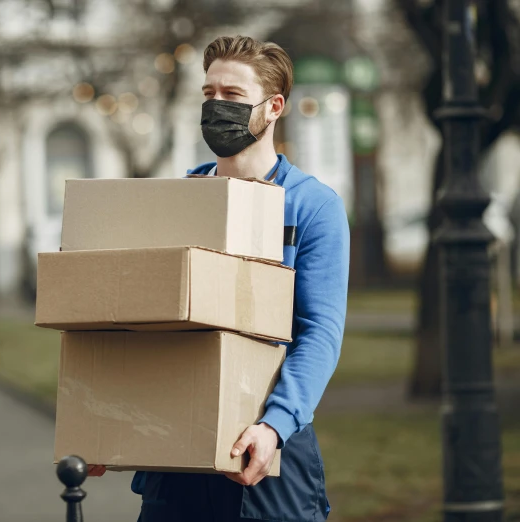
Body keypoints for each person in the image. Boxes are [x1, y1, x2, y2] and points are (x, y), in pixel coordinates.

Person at [88, 36, 350, 522]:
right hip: (176, 457)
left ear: (273, 107)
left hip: (267, 452)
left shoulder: (312, 206)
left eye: (232, 95)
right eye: (208, 95)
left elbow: (319, 333)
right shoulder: (179, 201)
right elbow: (145, 321)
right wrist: (109, 421)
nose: (216, 107)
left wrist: (273, 427)